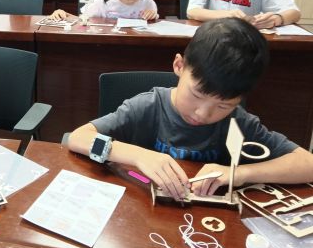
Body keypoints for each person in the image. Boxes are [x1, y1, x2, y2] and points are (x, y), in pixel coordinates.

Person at [68, 18, 313, 200]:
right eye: (197, 95)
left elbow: (307, 164)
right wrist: (138, 156)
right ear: (179, 66)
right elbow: (78, 138)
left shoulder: (238, 122)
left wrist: (239, 174)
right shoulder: (148, 107)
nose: (202, 114)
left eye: (223, 105)